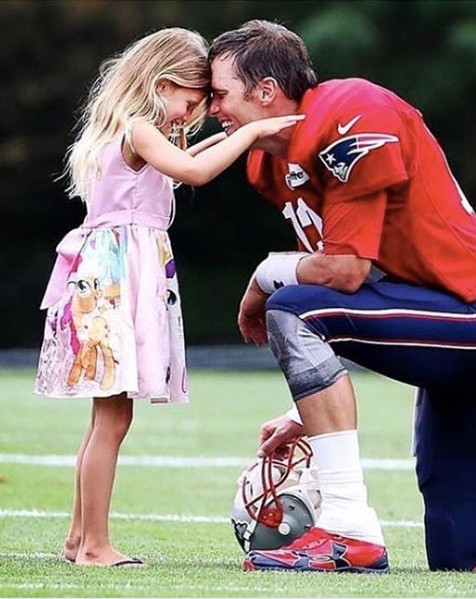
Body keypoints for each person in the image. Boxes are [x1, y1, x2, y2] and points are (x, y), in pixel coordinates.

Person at [207, 19, 476, 574]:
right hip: (456, 353)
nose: (213, 110)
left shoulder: (349, 109)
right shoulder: (271, 162)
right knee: (467, 557)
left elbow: (342, 273)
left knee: (288, 306)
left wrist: (262, 276)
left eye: (220, 94)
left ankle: (347, 528)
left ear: (266, 90)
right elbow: (355, 292)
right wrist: (305, 410)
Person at [34, 27, 302, 567]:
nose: (191, 117)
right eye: (188, 102)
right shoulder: (138, 129)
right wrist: (253, 134)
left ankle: (76, 537)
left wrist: (239, 134)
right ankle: (94, 546)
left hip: (109, 273)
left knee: (103, 420)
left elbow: (189, 158)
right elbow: (195, 170)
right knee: (112, 421)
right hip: (115, 280)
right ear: (160, 84)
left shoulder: (132, 133)